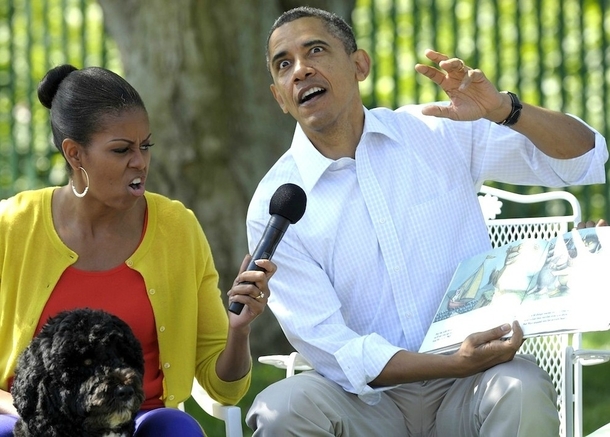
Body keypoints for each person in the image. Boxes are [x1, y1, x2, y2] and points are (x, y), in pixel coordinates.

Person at [245, 6, 609, 437]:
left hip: (472, 385)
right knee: (280, 408)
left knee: (521, 387)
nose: (300, 70)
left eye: (316, 50)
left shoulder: (437, 130)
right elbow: (335, 349)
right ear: (280, 96)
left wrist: (504, 109)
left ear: (359, 65)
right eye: (284, 64)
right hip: (364, 401)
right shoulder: (275, 204)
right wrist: (451, 361)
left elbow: (585, 160)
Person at [0, 65, 275, 436]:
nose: (140, 162)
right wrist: (31, 418)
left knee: (176, 429)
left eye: (145, 146)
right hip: (25, 417)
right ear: (74, 153)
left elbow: (223, 386)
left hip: (140, 419)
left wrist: (239, 331)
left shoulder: (177, 228)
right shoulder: (12, 225)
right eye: (121, 150)